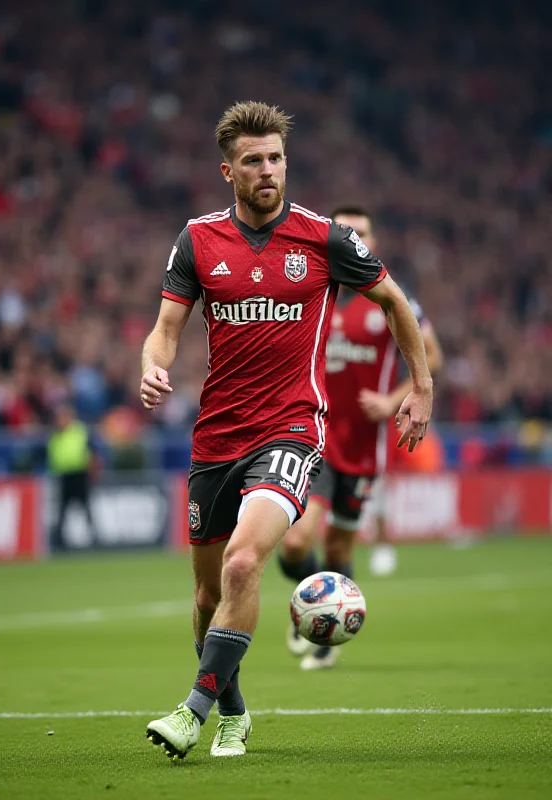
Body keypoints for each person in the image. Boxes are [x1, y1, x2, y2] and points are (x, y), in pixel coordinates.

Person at [139, 101, 433, 761]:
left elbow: (394, 301)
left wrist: (422, 386)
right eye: (252, 161)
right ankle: (233, 715)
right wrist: (152, 370)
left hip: (292, 428)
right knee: (209, 591)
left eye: (275, 158)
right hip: (216, 436)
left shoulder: (323, 238)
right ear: (228, 171)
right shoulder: (196, 240)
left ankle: (191, 711)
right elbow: (163, 332)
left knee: (247, 561)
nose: (267, 170)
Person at [279, 206, 443, 669]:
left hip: (363, 446)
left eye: (362, 232)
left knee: (337, 549)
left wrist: (394, 400)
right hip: (310, 436)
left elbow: (435, 358)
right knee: (294, 544)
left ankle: (323, 638)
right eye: (345, 231)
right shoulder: (313, 288)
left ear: (373, 239)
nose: (354, 238)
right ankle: (312, 607)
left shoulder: (392, 299)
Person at [47, 403, 98, 551]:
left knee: (86, 507)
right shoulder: (55, 435)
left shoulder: (80, 431)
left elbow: (92, 451)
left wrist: (92, 469)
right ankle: (59, 540)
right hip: (64, 476)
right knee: (63, 510)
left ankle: (94, 537)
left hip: (80, 474)